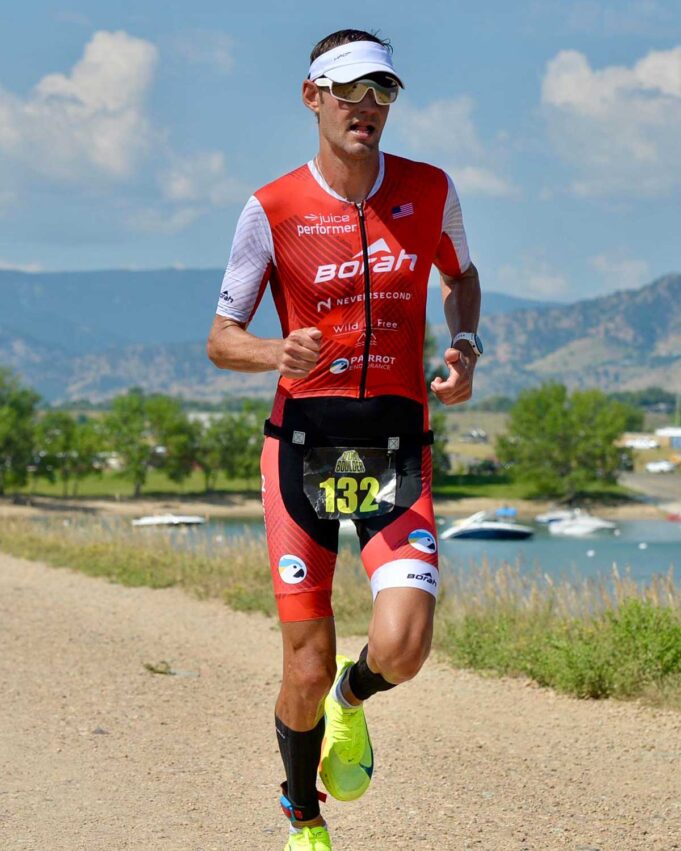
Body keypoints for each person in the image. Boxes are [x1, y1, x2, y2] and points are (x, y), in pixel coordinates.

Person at [207, 28, 482, 851]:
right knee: (303, 661)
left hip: (396, 443)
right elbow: (222, 338)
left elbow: (459, 277)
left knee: (401, 645)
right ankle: (302, 814)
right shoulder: (272, 207)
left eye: (383, 93)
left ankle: (349, 704)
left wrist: (464, 345)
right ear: (312, 96)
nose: (367, 108)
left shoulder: (430, 189)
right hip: (303, 444)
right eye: (350, 91)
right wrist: (271, 351)